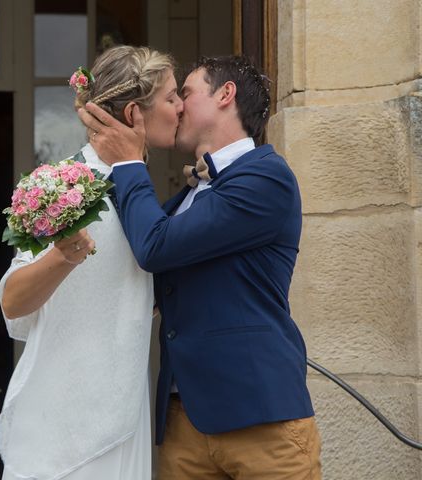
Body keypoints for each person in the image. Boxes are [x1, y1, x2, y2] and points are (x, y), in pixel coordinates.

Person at [79, 55, 322, 479]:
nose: (176, 107)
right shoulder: (191, 192)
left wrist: (129, 163)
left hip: (259, 418)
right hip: (182, 421)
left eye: (185, 94)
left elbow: (155, 248)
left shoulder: (267, 177)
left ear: (225, 95)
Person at [0, 45, 183, 480]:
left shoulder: (139, 188)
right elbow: (12, 300)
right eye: (172, 97)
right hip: (66, 421)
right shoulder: (67, 188)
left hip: (122, 408)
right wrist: (63, 256)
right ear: (135, 113)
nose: (181, 107)